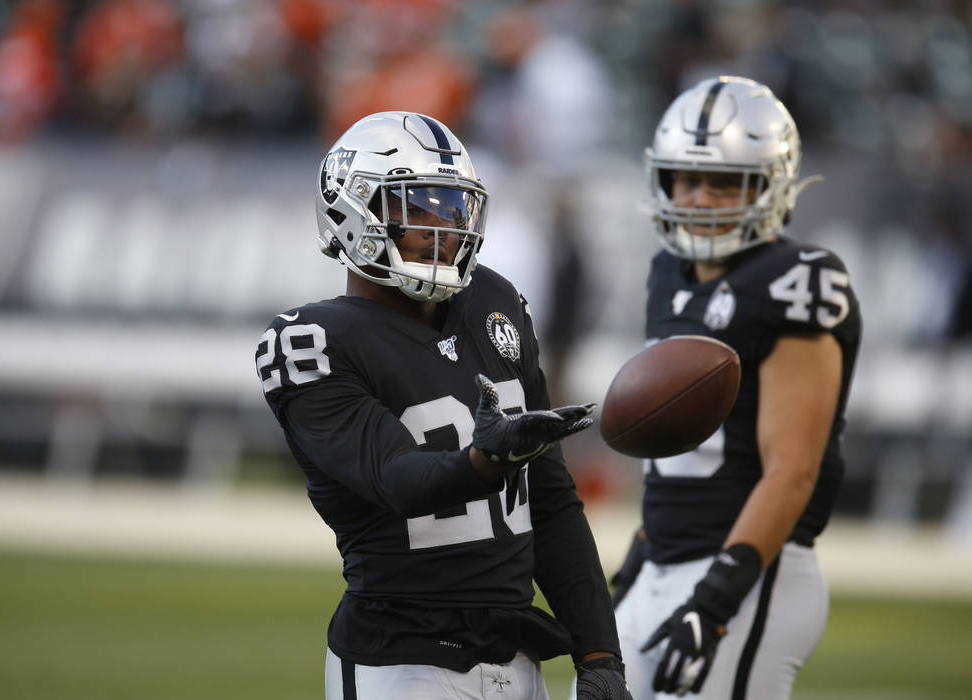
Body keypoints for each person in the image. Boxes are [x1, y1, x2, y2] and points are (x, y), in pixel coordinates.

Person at [255, 111, 632, 700]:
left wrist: (600, 656)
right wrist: (484, 462)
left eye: (454, 209)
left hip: (517, 659)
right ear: (356, 211)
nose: (445, 228)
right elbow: (397, 478)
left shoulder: (495, 300)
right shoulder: (313, 340)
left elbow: (551, 503)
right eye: (420, 208)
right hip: (404, 664)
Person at [607, 77, 862, 699]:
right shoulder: (668, 272)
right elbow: (682, 447)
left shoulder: (798, 279)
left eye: (724, 182)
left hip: (748, 573)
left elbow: (792, 470)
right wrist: (643, 553)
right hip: (665, 564)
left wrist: (717, 597)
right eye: (684, 179)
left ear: (771, 184)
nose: (697, 197)